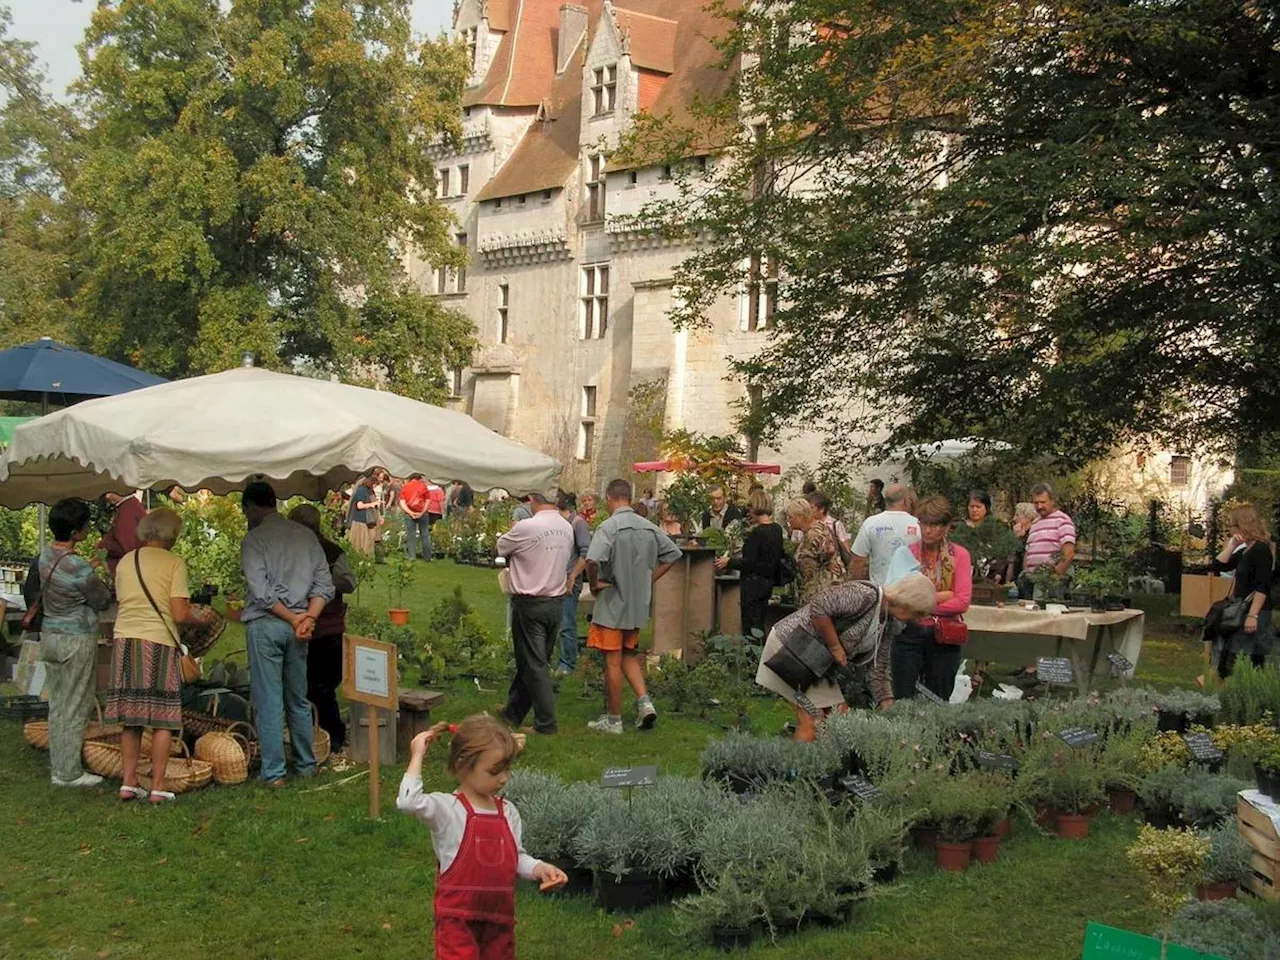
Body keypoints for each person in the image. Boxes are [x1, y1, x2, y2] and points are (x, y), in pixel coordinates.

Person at [397, 715, 567, 960]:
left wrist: (540, 868)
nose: (503, 778)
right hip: (458, 921)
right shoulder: (447, 810)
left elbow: (514, 858)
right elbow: (408, 802)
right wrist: (417, 756)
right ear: (462, 766)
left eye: (507, 769)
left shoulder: (508, 811)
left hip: (500, 920)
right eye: (494, 771)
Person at [106, 508, 219, 803]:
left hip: (124, 639)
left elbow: (123, 600)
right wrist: (202, 619)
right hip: (157, 642)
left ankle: (128, 783)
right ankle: (157, 786)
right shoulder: (174, 563)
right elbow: (180, 613)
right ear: (172, 535)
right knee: (163, 718)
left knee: (131, 718)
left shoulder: (127, 561)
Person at [755, 575, 936, 741]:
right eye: (918, 613)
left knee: (839, 718)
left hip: (815, 663)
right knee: (813, 719)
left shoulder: (888, 624)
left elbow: (878, 669)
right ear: (909, 603)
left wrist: (887, 703)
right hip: (791, 650)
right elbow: (819, 606)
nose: (916, 619)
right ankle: (803, 773)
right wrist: (835, 646)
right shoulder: (866, 595)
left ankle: (820, 768)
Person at [240, 481, 335, 786]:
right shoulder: (306, 536)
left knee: (269, 701)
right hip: (301, 627)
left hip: (268, 624)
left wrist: (295, 619)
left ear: (251, 507)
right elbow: (325, 586)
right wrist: (308, 617)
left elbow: (261, 592)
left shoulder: (255, 539)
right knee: (298, 697)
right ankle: (306, 764)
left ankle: (274, 773)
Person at [585, 479, 682, 734]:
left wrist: (595, 584)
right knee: (628, 655)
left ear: (609, 498)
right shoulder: (648, 527)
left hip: (613, 602)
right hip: (637, 604)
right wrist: (648, 579)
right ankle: (645, 703)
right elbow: (673, 554)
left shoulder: (609, 527)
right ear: (629, 497)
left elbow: (593, 559)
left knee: (613, 661)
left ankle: (614, 719)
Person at [38, 498, 113, 788]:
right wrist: (97, 570)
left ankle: (59, 764)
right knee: (77, 703)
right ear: (75, 531)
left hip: (50, 635)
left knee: (57, 702)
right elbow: (102, 598)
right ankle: (69, 773)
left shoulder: (45, 556)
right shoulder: (78, 566)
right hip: (76, 639)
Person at [496, 492, 574, 735]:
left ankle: (546, 723)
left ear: (532, 499)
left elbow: (501, 547)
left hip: (530, 601)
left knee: (534, 663)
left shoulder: (527, 526)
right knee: (530, 660)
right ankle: (514, 712)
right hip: (555, 601)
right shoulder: (566, 526)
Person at [885, 496, 973, 701]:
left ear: (946, 526)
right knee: (904, 696)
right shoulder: (906, 552)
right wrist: (943, 596)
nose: (927, 530)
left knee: (938, 698)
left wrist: (919, 603)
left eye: (934, 525)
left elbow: (962, 601)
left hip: (944, 636)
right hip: (909, 633)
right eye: (923, 524)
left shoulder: (959, 555)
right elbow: (895, 598)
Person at [289, 504, 357, 752]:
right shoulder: (289, 551)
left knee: (322, 686)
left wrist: (321, 578)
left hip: (327, 629)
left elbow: (349, 583)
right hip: (298, 627)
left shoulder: (332, 552)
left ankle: (333, 735)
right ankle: (311, 734)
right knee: (304, 686)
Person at [1210, 503, 1275, 673]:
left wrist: (1253, 615)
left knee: (1248, 659)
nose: (1230, 531)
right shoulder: (1245, 550)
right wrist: (1231, 546)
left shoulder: (1261, 550)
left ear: (1243, 526)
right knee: (1233, 659)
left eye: (1232, 526)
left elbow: (1263, 586)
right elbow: (1219, 565)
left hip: (1254, 611)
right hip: (1241, 609)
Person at [715, 489, 784, 637]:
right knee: (760, 621)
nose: (749, 512)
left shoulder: (757, 533)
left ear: (755, 507)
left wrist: (729, 562)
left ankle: (752, 658)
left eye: (750, 508)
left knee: (750, 625)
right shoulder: (776, 529)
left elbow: (750, 562)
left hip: (752, 584)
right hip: (768, 583)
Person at [849, 483, 920, 584]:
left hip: (881, 593)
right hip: (911, 592)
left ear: (887, 501)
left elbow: (858, 561)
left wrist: (860, 588)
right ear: (906, 500)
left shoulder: (871, 523)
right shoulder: (918, 524)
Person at [555, 492, 592, 675]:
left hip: (570, 582)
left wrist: (572, 577)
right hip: (556, 581)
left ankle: (568, 663)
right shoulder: (559, 525)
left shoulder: (577, 524)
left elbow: (586, 553)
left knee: (566, 622)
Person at [785, 497, 845, 603]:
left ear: (800, 516)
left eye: (790, 517)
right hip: (814, 590)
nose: (788, 521)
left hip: (820, 592)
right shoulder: (811, 531)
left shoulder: (814, 534)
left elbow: (829, 550)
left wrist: (828, 560)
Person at [950, 489, 1016, 580]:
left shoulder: (996, 527)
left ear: (986, 507)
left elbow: (1003, 553)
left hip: (991, 576)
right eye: (971, 506)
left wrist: (999, 573)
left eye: (978, 507)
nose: (974, 510)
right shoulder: (960, 529)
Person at [1021, 483, 1076, 584]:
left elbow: (1068, 553)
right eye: (1036, 503)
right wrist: (1026, 573)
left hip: (1051, 583)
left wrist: (1055, 576)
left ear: (1052, 501)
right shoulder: (1035, 523)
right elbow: (1028, 552)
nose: (1039, 506)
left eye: (1043, 502)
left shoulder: (1063, 521)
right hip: (1032, 580)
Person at [97, 491, 146, 577]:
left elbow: (127, 548)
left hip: (129, 572)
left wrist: (103, 545)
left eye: (112, 492)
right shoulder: (131, 506)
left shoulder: (127, 511)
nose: (108, 497)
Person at [807, 491, 853, 566]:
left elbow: (846, 549)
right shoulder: (807, 525)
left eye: (811, 508)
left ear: (821, 509)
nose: (809, 511)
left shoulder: (835, 525)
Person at [399, 474, 432, 561]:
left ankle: (412, 556)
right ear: (419, 478)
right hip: (422, 513)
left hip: (410, 513)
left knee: (411, 535)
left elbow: (402, 502)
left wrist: (410, 512)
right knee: (424, 534)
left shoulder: (406, 487)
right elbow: (428, 501)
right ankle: (427, 557)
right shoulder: (423, 486)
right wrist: (422, 512)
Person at [1004, 501, 1037, 586]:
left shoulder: (1034, 535)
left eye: (1017, 515)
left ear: (1028, 517)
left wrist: (1019, 539)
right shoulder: (1018, 534)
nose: (1014, 518)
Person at [347, 474, 379, 557]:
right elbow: (359, 505)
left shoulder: (367, 490)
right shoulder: (361, 490)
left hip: (365, 521)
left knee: (367, 543)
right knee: (360, 545)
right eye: (373, 483)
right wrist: (372, 504)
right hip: (360, 521)